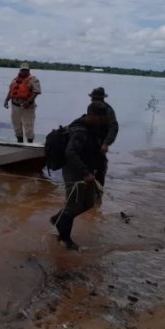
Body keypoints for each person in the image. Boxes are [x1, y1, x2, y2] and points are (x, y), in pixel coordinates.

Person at [49, 102, 108, 250]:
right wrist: (85, 173)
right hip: (74, 170)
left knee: (89, 203)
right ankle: (64, 239)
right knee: (72, 205)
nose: (102, 120)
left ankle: (58, 219)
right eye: (100, 117)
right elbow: (70, 153)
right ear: (91, 115)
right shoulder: (79, 131)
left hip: (87, 169)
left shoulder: (93, 128)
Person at [88, 87, 119, 199]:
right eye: (93, 98)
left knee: (100, 168)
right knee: (88, 167)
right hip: (90, 141)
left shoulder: (108, 110)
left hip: (101, 142)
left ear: (101, 99)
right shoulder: (91, 107)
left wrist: (106, 143)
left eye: (95, 98)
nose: (93, 100)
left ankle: (98, 194)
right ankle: (90, 196)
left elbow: (114, 127)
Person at [3, 62, 41, 143]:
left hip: (27, 107)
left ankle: (30, 144)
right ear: (20, 70)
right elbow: (11, 91)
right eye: (22, 70)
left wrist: (28, 102)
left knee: (28, 127)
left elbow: (36, 92)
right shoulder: (15, 80)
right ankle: (19, 142)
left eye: (26, 70)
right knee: (17, 126)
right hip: (15, 106)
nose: (24, 72)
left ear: (29, 70)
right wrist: (6, 100)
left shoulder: (34, 80)